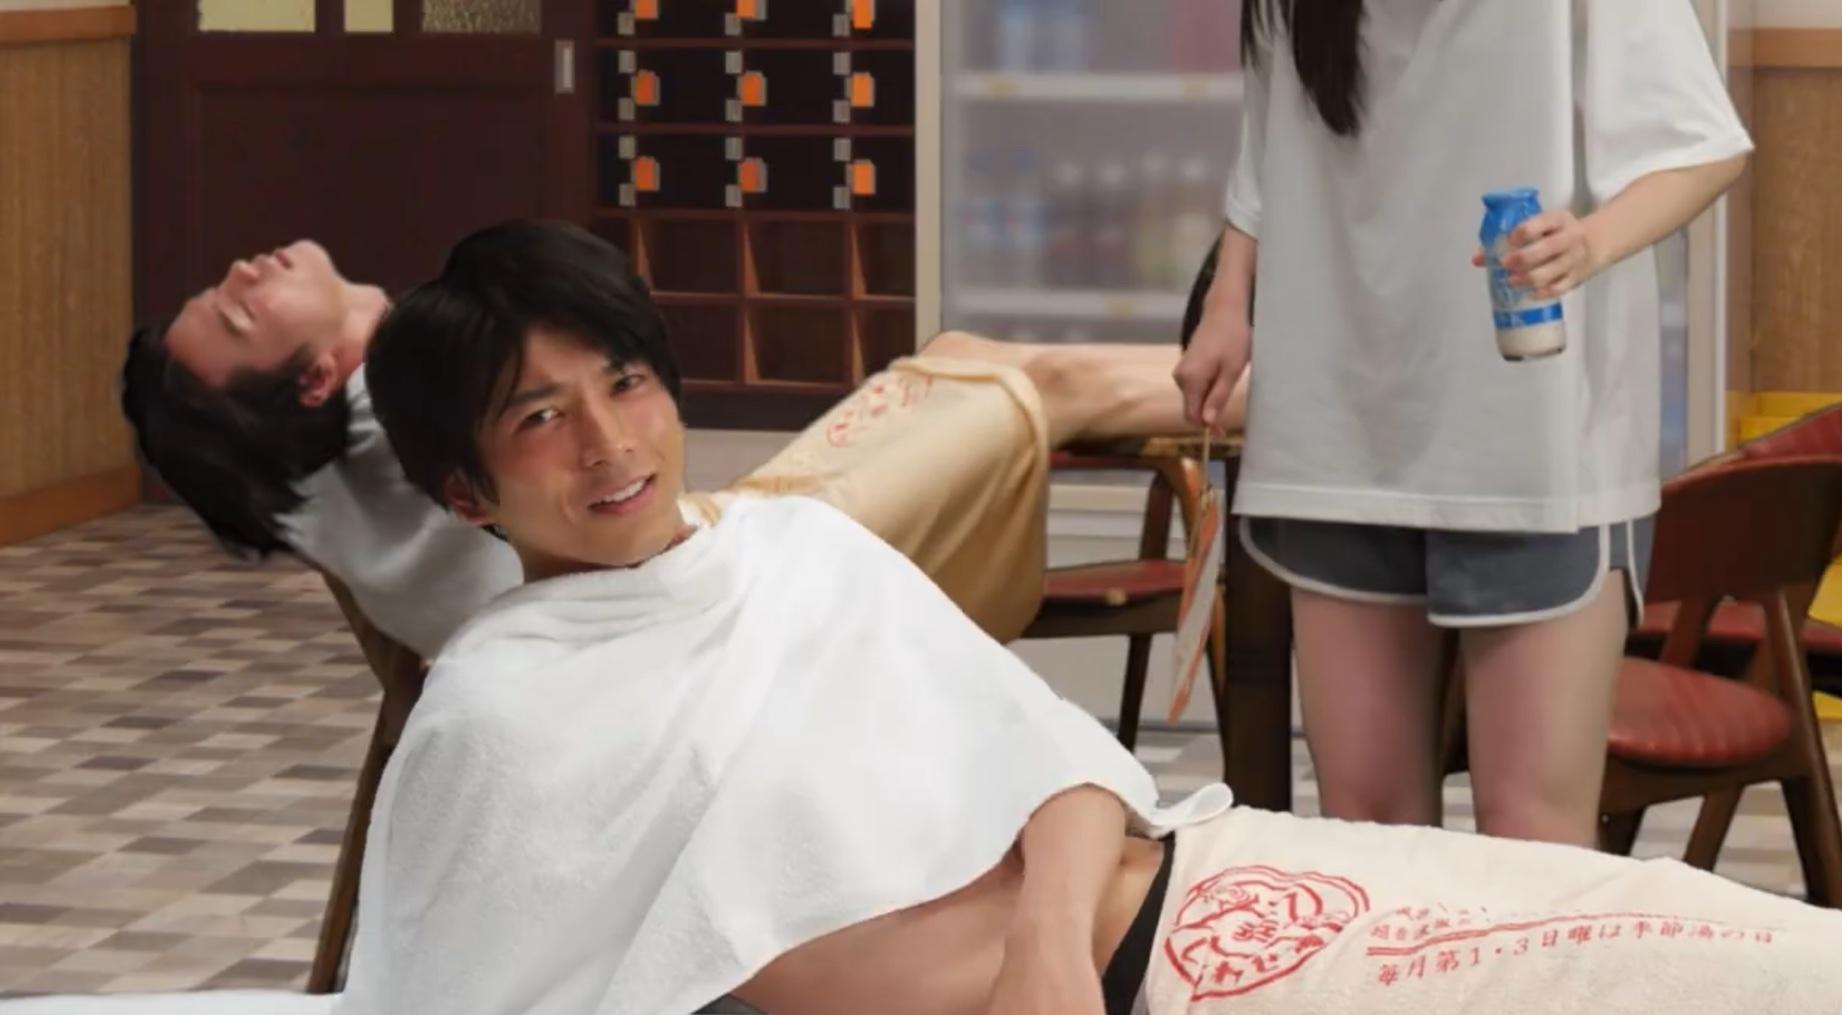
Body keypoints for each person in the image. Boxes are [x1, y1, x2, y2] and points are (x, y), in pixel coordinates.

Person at [331, 221, 1842, 1015]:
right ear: (465, 488)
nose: (610, 441)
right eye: (540, 416)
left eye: (624, 381)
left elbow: (1056, 765)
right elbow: (428, 1013)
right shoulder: (506, 703)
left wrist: (1044, 945)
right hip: (1192, 1003)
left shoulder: (788, 553)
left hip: (1213, 879)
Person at [1173, 0, 1754, 845]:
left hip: (1534, 441)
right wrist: (1229, 300)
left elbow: (1702, 147)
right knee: (1369, 826)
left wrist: (1591, 242)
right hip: (1337, 420)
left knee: (1531, 835)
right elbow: (1267, 147)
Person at [120, 238, 1244, 654]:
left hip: (693, 574)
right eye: (236, 314)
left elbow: (214, 445)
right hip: (726, 590)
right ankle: (1301, 401)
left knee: (961, 361)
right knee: (1034, 385)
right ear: (315, 381)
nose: (243, 272)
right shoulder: (428, 405)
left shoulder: (313, 477)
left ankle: (1257, 382)